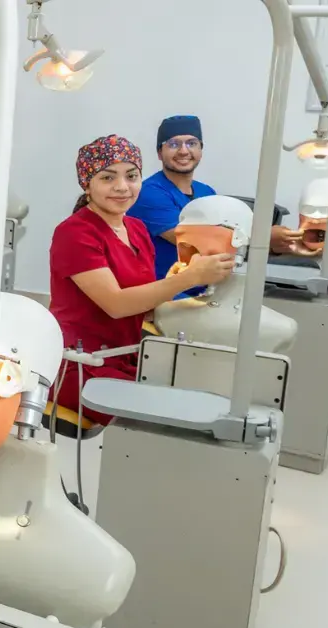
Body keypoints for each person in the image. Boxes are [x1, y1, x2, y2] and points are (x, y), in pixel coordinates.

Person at [48, 135, 234, 424]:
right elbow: (117, 304)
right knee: (165, 421)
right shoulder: (74, 233)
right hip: (80, 363)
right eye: (108, 177)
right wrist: (190, 277)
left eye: (132, 176)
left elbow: (146, 302)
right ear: (87, 184)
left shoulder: (135, 228)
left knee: (204, 396)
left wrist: (205, 311)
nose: (122, 187)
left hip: (127, 354)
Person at [131, 115, 301, 282]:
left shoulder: (206, 192)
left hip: (207, 286)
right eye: (173, 144)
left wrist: (280, 244)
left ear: (200, 150)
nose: (183, 151)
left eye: (192, 143)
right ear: (160, 153)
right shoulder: (148, 193)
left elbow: (226, 241)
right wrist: (263, 236)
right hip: (166, 291)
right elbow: (190, 242)